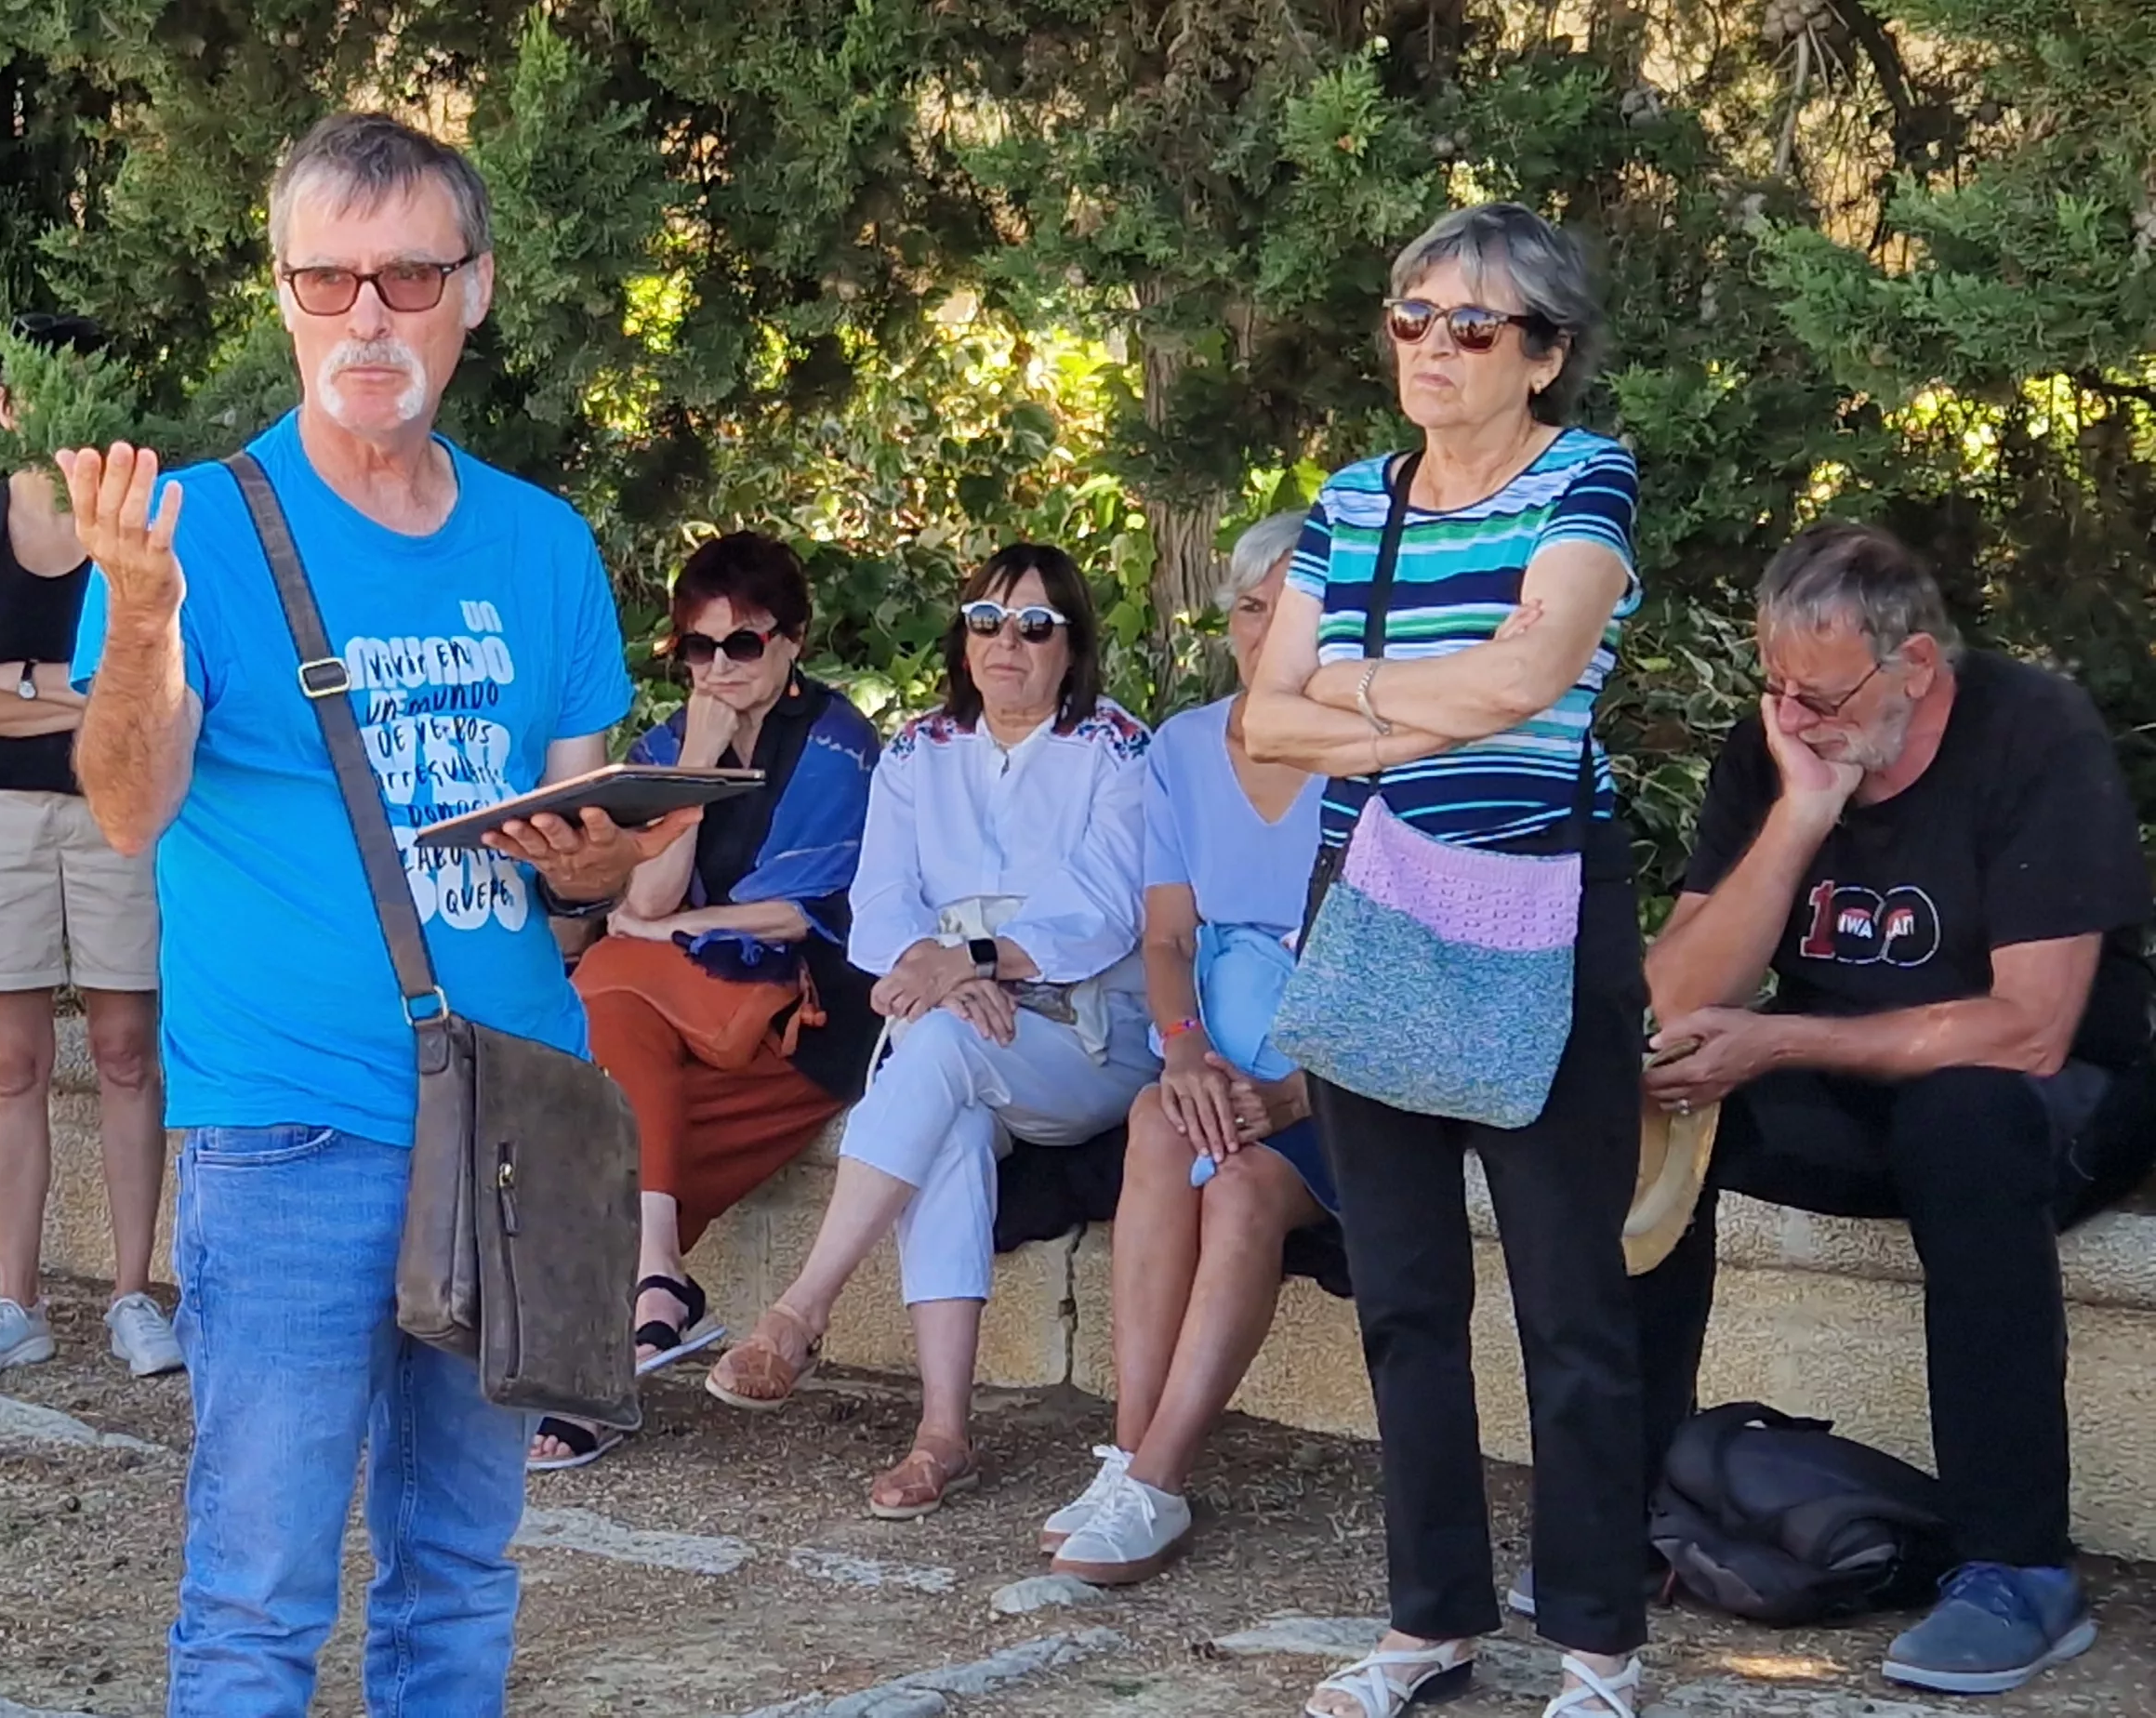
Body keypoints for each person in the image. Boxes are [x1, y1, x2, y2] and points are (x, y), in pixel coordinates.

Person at [55, 112, 687, 1713]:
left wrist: (591, 857)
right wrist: (139, 617)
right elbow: (128, 801)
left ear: (474, 289)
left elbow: (596, 846)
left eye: (407, 277)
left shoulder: (541, 542)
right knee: (259, 1593)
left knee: (461, 1572)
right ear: (281, 297)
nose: (367, 319)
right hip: (290, 1130)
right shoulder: (185, 532)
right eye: (325, 281)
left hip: (514, 1116)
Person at [1237, 204, 1648, 1718]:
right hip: (1382, 907)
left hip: (1550, 910)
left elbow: (1538, 677)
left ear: (1541, 356)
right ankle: (1432, 1621)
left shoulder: (1586, 477)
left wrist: (1353, 680)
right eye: (1411, 314)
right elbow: (1260, 725)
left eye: (1470, 323)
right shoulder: (1352, 499)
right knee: (1403, 1292)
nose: (1429, 345)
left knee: (1570, 1300)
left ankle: (1602, 1642)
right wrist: (1430, 700)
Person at [1637, 522, 2151, 1695]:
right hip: (1851, 1083)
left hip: (2062, 1097)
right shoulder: (1780, 743)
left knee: (1960, 1121)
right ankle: (1622, 1501)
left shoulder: (2032, 732)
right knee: (1660, 1102)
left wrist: (1779, 1039)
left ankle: (2017, 1568)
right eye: (1774, 687)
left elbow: (2031, 1027)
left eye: (1819, 695)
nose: (1793, 715)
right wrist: (1802, 811)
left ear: (1915, 666)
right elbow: (1673, 998)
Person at [699, 544, 1158, 1521]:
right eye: (986, 621)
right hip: (958, 1023)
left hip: (1088, 1038)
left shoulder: (1116, 748)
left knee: (939, 1056)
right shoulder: (916, 751)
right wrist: (946, 977)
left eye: (1035, 626)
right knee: (942, 1096)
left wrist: (977, 960)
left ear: (1069, 646)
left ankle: (800, 1309)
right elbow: (879, 900)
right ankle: (941, 1433)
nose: (1006, 644)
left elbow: (1105, 909)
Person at [526, 531, 879, 1471]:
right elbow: (642, 896)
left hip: (802, 1013)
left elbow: (799, 915)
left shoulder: (839, 746)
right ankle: (654, 1285)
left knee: (601, 990)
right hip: (684, 1010)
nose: (718, 667)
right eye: (698, 647)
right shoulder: (667, 746)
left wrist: (664, 931)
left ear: (793, 641)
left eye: (743, 644)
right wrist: (700, 760)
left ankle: (620, 1335)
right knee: (614, 1096)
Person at [1038, 515, 1329, 1584]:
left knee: (1248, 1190)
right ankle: (1124, 1456)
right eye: (1252, 608)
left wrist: (1291, 1095)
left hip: (1335, 1085)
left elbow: (1396, 971)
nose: (1269, 631)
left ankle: (1160, 1475)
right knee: (1157, 1122)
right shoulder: (1183, 748)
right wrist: (1186, 1055)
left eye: (1296, 610)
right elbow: (1166, 937)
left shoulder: (1375, 756)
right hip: (1215, 1055)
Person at [0, 319, 177, 1383]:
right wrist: (75, 698)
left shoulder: (144, 522)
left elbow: (150, 690)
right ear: (4, 403)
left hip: (114, 815)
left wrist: (19, 689)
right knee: (13, 1063)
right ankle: (13, 1300)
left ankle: (131, 1294)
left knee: (125, 1049)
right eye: (35, 387)